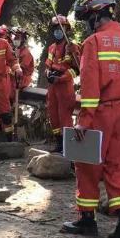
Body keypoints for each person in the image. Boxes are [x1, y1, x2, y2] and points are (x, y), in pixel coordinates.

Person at [62, 0, 120, 238]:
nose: (88, 25)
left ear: (95, 16)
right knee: (117, 166)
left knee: (87, 165)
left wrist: (84, 121)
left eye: (87, 19)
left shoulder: (94, 42)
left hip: (101, 112)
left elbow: (90, 87)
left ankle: (87, 220)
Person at [44, 14, 78, 149]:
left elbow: (76, 70)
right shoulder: (52, 47)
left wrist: (61, 78)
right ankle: (59, 144)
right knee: (53, 114)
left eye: (61, 28)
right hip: (53, 86)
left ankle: (67, 147)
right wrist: (48, 74)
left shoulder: (72, 47)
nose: (58, 31)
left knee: (65, 116)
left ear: (66, 29)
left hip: (65, 86)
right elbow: (48, 65)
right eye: (55, 28)